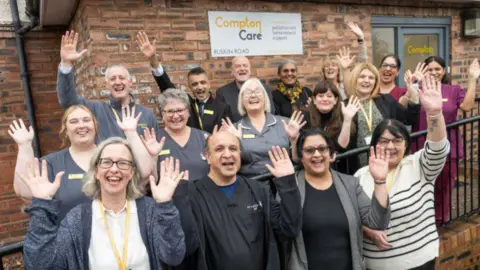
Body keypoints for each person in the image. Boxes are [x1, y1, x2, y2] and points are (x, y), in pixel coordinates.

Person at [22, 137, 186, 269]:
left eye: (123, 163)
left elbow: (174, 257)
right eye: (106, 162)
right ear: (95, 171)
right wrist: (42, 208)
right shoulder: (77, 219)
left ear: (131, 173)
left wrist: (165, 206)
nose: (114, 169)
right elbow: (39, 265)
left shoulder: (150, 210)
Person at [356, 75, 451, 269]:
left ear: (406, 144)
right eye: (383, 141)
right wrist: (367, 230)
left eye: (397, 140)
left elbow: (437, 147)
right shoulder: (361, 175)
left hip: (418, 262)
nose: (390, 146)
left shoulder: (418, 165)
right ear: (373, 146)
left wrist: (434, 114)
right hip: (376, 265)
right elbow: (352, 217)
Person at [172, 130, 302, 270]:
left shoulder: (259, 191)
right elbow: (185, 247)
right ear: (208, 157)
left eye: (233, 148)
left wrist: (288, 184)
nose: (228, 154)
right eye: (219, 149)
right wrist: (177, 198)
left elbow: (289, 230)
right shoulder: (192, 194)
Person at [9, 105, 154, 220]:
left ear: (95, 125)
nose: (81, 125)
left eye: (86, 120)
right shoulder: (52, 163)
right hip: (73, 246)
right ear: (65, 130)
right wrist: (24, 146)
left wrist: (130, 132)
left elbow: (144, 171)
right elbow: (24, 191)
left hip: (119, 240)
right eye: (73, 121)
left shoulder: (113, 153)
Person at [285, 128, 390, 270]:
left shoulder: (350, 184)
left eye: (322, 149)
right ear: (301, 156)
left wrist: (380, 181)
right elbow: (283, 230)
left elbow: (377, 222)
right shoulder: (291, 188)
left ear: (331, 153)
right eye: (309, 150)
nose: (317, 154)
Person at [410, 56, 479, 226]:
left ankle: (441, 223)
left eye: (437, 69)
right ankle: (421, 223)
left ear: (444, 70)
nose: (433, 72)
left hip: (449, 148)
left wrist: (472, 79)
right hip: (421, 147)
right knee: (421, 187)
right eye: (429, 69)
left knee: (444, 188)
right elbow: (407, 109)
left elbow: (467, 106)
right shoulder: (416, 89)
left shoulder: (453, 90)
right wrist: (413, 84)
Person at [56, 30, 159, 141]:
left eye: (122, 78)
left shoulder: (147, 113)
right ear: (107, 85)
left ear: (130, 82)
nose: (118, 82)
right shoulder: (95, 110)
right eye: (112, 79)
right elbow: (68, 101)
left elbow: (156, 147)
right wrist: (66, 65)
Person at [136, 32, 232, 134]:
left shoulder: (222, 108)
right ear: (189, 86)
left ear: (209, 84)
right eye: (194, 84)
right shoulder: (186, 103)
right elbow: (166, 85)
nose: (199, 87)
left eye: (202, 82)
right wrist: (153, 59)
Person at [220, 78, 305, 179]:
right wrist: (235, 144)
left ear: (265, 98)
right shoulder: (233, 130)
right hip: (252, 184)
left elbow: (298, 160)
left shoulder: (285, 123)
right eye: (248, 93)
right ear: (241, 100)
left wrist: (294, 140)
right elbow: (230, 168)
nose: (253, 95)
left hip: (286, 179)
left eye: (257, 91)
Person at [346, 63, 420, 172]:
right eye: (362, 77)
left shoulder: (386, 100)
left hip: (388, 163)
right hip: (357, 167)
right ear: (354, 80)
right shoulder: (345, 105)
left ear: (375, 82)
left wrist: (413, 91)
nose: (366, 80)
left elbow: (409, 118)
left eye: (371, 78)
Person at [142, 88, 210, 179]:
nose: (176, 116)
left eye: (180, 110)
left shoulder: (204, 138)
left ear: (188, 112)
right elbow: (146, 179)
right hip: (168, 193)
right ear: (162, 114)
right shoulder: (153, 141)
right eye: (170, 111)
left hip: (204, 192)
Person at [216, 56, 276, 122]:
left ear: (250, 70)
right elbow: (223, 119)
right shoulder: (223, 92)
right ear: (232, 71)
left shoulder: (264, 88)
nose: (242, 68)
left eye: (245, 66)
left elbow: (270, 111)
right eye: (238, 66)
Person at [323, 22, 368, 100]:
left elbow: (362, 62)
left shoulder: (347, 85)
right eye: (327, 66)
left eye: (333, 65)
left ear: (338, 69)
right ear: (323, 70)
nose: (330, 68)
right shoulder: (320, 89)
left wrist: (361, 39)